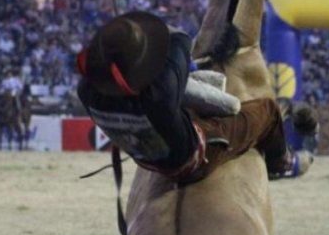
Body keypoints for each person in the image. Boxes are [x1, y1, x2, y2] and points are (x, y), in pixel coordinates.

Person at [76, 11, 295, 182]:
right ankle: (281, 164)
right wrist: (165, 38)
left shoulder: (86, 92)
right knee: (268, 110)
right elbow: (181, 41)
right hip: (191, 158)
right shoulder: (160, 94)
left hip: (145, 158)